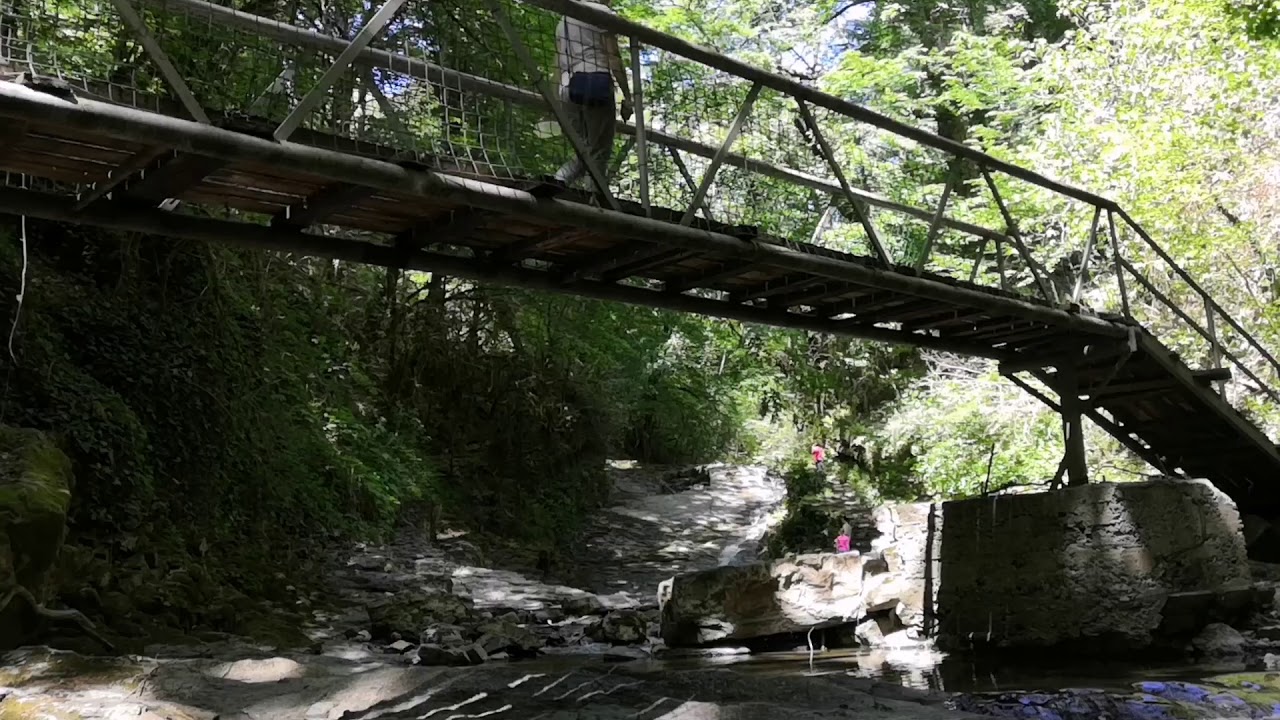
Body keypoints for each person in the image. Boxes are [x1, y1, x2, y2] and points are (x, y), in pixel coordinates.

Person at [553, 0, 633, 189]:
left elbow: (557, 63)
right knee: (598, 153)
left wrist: (554, 99)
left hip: (566, 89)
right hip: (595, 83)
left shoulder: (563, 20)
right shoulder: (602, 12)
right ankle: (594, 203)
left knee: (584, 153)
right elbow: (612, 56)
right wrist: (628, 97)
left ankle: (558, 181)